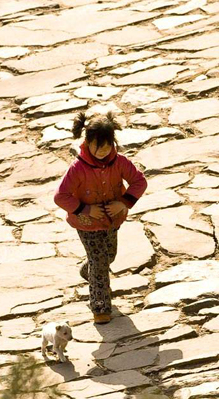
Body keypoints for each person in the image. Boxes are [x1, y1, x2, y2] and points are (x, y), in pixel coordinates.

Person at [54, 111, 147, 324]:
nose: (103, 152)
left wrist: (123, 203)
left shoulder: (120, 162)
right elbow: (61, 196)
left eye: (107, 147)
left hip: (112, 221)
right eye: (99, 147)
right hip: (86, 224)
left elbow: (139, 182)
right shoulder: (77, 168)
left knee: (109, 256)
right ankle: (100, 307)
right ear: (87, 142)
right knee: (100, 262)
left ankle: (88, 270)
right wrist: (85, 210)